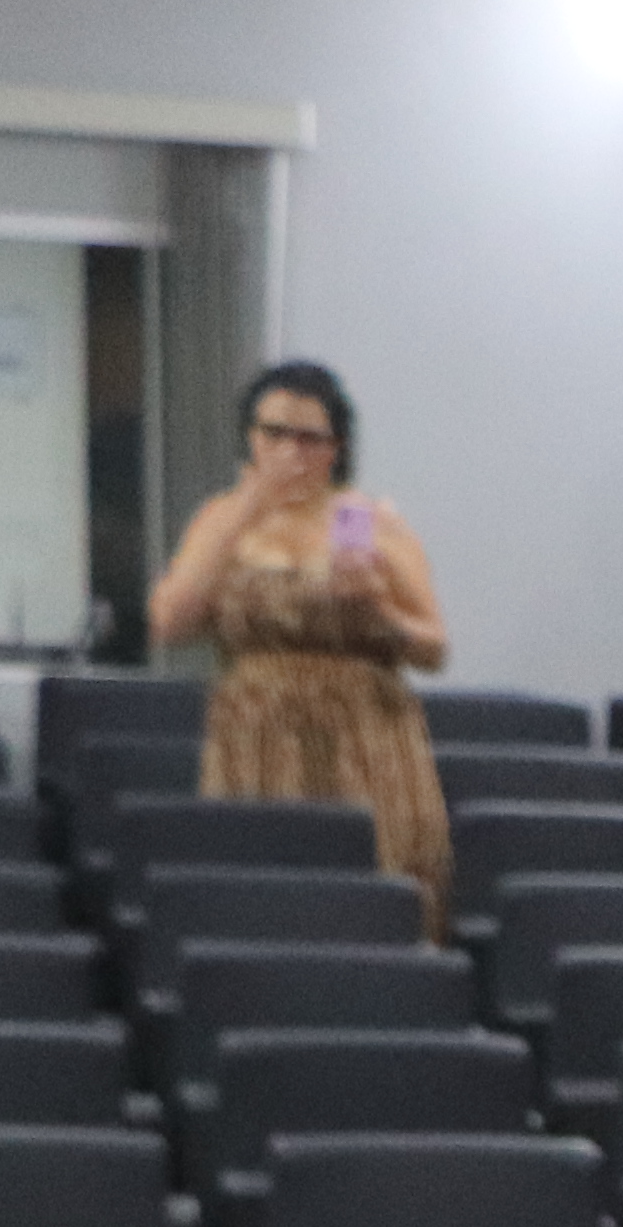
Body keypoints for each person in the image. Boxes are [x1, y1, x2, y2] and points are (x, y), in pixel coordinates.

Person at [153, 361, 451, 929]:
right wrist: (250, 505)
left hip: (363, 741)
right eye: (274, 434)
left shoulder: (367, 523)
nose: (291, 451)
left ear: (336, 447)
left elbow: (434, 647)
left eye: (310, 438)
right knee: (261, 904)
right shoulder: (221, 520)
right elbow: (172, 622)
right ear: (250, 438)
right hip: (256, 738)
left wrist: (377, 612)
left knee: (369, 900)